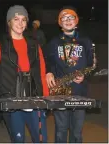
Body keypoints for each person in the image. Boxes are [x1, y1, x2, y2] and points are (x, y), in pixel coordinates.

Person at [0, 5, 49, 143]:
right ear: (9, 22)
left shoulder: (34, 44)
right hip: (12, 102)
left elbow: (41, 71)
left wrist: (45, 98)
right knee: (18, 140)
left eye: (23, 20)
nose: (20, 23)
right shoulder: (0, 45)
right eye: (16, 19)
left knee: (41, 139)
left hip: (34, 99)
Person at [44, 6, 95, 143]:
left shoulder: (86, 41)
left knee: (77, 132)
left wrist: (86, 76)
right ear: (60, 22)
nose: (68, 20)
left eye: (71, 17)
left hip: (80, 91)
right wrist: (48, 72)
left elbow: (92, 65)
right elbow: (47, 60)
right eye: (64, 18)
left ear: (76, 20)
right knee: (60, 130)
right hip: (60, 92)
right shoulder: (54, 42)